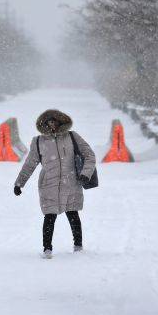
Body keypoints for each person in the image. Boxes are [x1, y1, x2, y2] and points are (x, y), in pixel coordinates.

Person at [14, 109, 96, 259]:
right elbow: (29, 164)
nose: (52, 125)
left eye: (55, 122)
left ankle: (78, 246)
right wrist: (19, 183)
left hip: (71, 182)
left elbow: (89, 155)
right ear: (44, 124)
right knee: (49, 216)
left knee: (73, 213)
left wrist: (86, 173)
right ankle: (47, 249)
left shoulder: (72, 137)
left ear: (60, 122)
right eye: (49, 122)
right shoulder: (38, 141)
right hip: (48, 185)